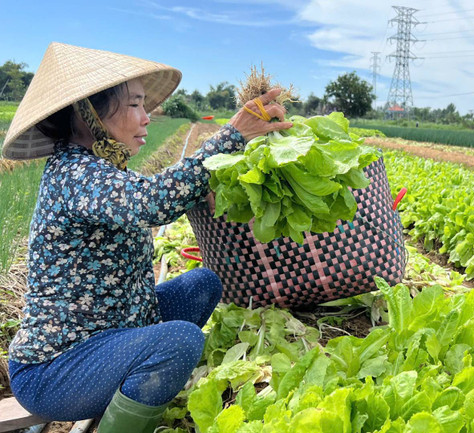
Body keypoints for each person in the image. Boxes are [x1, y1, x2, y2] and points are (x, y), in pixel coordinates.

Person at [2, 42, 292, 433]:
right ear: (89, 114)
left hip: (115, 330)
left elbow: (158, 191)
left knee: (203, 284)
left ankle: (134, 377)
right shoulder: (75, 175)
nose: (146, 117)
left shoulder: (103, 171)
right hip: (56, 367)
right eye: (135, 104)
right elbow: (152, 201)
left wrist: (214, 187)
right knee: (180, 342)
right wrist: (232, 136)